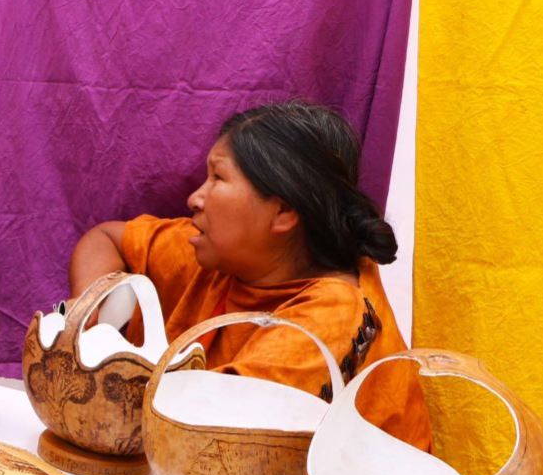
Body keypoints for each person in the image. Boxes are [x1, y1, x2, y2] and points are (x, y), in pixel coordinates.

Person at [69, 100, 430, 447]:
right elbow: (106, 239)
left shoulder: (333, 314)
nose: (195, 198)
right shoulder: (221, 257)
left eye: (217, 178)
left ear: (283, 212)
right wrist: (88, 312)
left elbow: (207, 427)